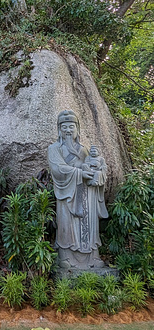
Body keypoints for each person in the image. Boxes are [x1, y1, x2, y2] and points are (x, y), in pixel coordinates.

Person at [47, 110, 108, 270]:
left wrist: (98, 173)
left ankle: (92, 257)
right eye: (64, 127)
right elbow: (57, 169)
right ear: (59, 129)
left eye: (71, 126)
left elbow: (95, 165)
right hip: (67, 193)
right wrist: (80, 172)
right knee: (67, 224)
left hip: (86, 195)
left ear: (77, 128)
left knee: (89, 224)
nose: (68, 130)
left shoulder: (84, 150)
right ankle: (66, 256)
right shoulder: (54, 149)